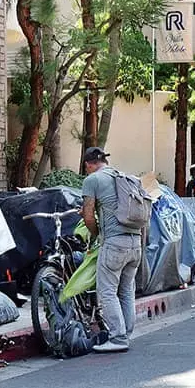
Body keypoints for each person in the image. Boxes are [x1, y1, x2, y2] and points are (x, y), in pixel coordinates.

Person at [81, 147, 142, 353]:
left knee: (106, 291)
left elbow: (88, 216)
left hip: (115, 244)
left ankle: (117, 338)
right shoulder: (121, 176)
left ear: (89, 164)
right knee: (126, 290)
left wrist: (97, 234)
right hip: (135, 242)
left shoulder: (93, 180)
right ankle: (126, 333)